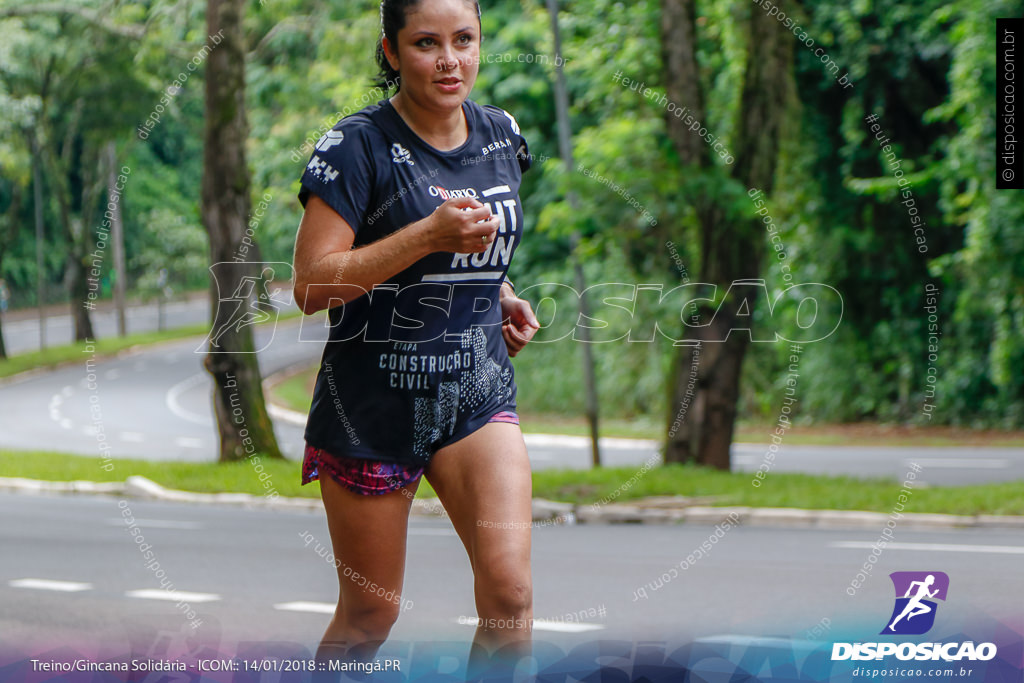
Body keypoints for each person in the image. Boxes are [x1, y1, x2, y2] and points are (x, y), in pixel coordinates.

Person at [291, 0, 540, 671]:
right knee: (371, 613)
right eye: (427, 43)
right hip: (372, 408)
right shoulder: (356, 146)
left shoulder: (502, 135)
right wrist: (427, 233)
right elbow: (312, 285)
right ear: (392, 51)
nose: (450, 59)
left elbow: (479, 253)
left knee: (511, 597)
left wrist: (503, 296)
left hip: (476, 395)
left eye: (465, 40)